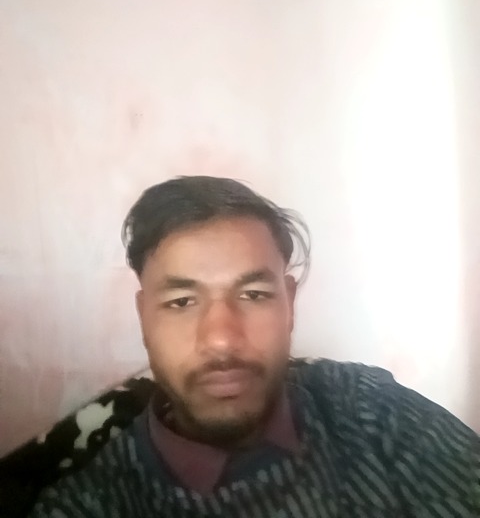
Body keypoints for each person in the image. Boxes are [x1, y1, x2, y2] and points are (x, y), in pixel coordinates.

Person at [31, 176, 480, 517]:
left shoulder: (367, 407)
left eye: (253, 295)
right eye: (181, 302)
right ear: (144, 316)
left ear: (290, 304)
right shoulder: (88, 504)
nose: (222, 338)